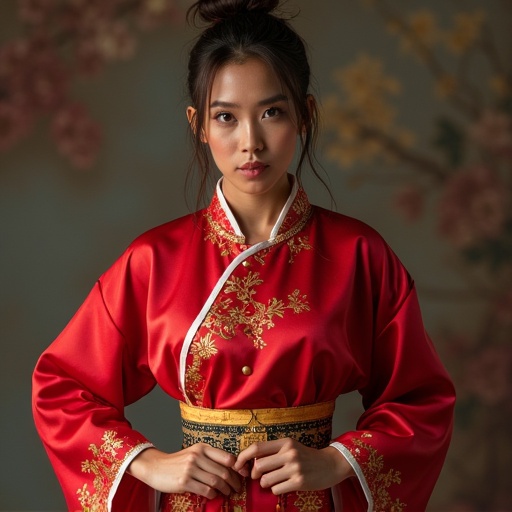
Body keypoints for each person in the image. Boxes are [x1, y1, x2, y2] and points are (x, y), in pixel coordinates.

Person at [32, 1, 456, 511]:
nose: (250, 143)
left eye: (272, 112)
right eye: (226, 118)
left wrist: (339, 460)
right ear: (199, 125)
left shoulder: (360, 255)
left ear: (305, 114)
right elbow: (62, 386)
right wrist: (146, 461)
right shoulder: (153, 259)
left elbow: (421, 398)